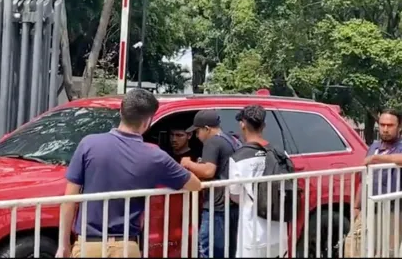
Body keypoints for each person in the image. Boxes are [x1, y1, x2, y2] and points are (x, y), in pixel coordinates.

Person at [55, 89, 202, 258]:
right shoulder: (155, 156)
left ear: (121, 111)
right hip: (126, 246)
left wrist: (63, 245)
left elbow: (69, 201)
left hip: (88, 245)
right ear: (147, 121)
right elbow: (195, 184)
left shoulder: (88, 144)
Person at [228, 105, 288, 257]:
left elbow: (235, 195)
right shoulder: (279, 153)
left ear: (242, 124)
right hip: (278, 228)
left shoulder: (238, 158)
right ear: (264, 126)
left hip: (253, 230)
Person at [180, 110, 240, 258]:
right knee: (228, 250)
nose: (197, 136)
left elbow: (208, 171)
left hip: (217, 206)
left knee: (208, 250)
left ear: (206, 129)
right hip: (230, 203)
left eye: (198, 131)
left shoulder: (212, 141)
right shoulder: (230, 139)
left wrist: (187, 163)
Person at [353, 108, 402, 257]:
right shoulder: (374, 147)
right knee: (359, 248)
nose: (385, 129)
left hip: (393, 210)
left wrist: (379, 159)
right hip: (370, 207)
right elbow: (364, 176)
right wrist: (357, 205)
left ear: (399, 127)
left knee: (387, 252)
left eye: (390, 125)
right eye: (382, 125)